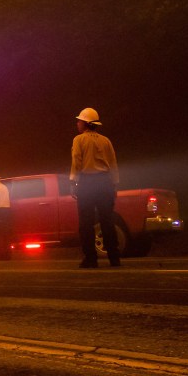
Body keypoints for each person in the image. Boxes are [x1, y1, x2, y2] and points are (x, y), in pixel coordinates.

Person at [70, 107, 121, 268]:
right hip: (105, 183)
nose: (77, 123)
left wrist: (73, 182)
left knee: (86, 222)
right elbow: (113, 164)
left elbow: (77, 162)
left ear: (86, 123)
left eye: (79, 121)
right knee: (107, 221)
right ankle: (114, 258)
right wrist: (114, 185)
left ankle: (91, 259)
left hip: (87, 183)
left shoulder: (79, 140)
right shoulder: (106, 141)